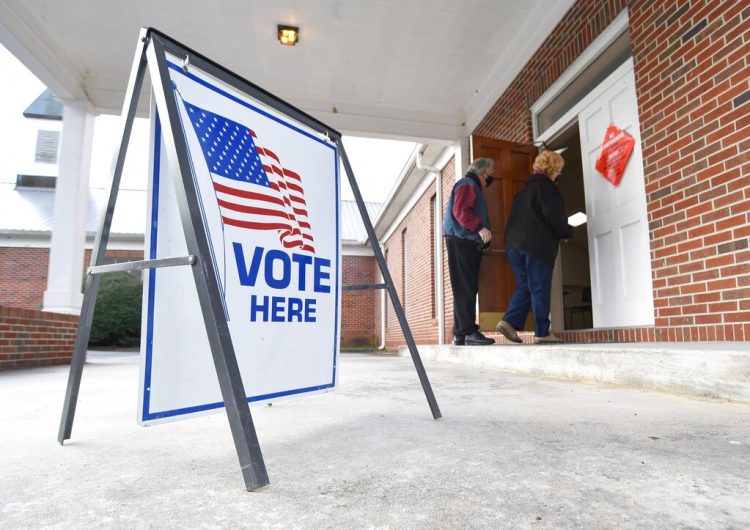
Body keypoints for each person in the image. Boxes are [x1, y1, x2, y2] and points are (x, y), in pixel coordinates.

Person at [495, 150, 573, 344]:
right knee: (539, 287)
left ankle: (509, 321)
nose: (559, 174)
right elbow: (553, 215)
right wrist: (567, 232)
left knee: (525, 284)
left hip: (513, 245)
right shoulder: (548, 188)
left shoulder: (523, 191)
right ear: (553, 169)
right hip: (535, 245)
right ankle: (542, 332)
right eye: (559, 170)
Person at [443, 157, 495, 346]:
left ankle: (460, 333)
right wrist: (480, 228)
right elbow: (461, 210)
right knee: (466, 287)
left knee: (462, 287)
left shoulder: (469, 185)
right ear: (483, 173)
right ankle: (468, 331)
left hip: (461, 241)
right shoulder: (467, 184)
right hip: (463, 241)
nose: (490, 179)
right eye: (491, 174)